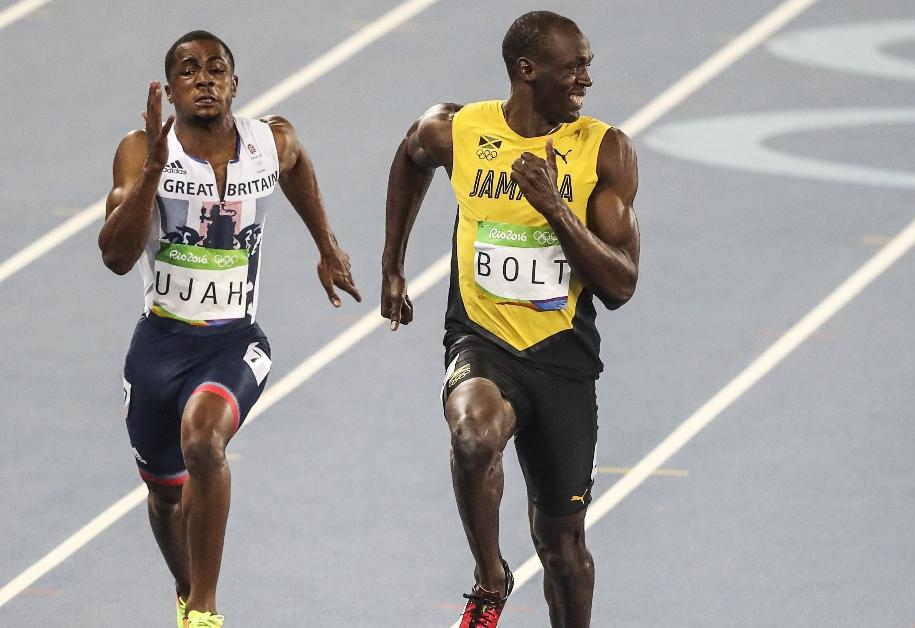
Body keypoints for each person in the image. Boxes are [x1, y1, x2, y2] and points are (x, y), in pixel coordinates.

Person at [381, 10, 640, 628]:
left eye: (588, 66)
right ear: (527, 71)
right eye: (573, 66)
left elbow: (621, 285)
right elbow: (411, 155)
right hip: (481, 337)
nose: (585, 79)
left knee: (563, 549)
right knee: (473, 437)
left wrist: (554, 207)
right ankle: (490, 577)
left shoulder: (603, 151)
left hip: (561, 356)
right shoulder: (458, 129)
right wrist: (392, 263)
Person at [99, 30, 361, 628]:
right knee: (165, 497)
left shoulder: (271, 143)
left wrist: (326, 244)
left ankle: (206, 610)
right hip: (160, 345)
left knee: (203, 440)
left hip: (234, 340)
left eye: (217, 68)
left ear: (235, 84)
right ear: (170, 91)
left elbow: (295, 166)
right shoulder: (141, 150)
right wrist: (152, 176)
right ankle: (189, 595)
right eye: (188, 71)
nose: (204, 79)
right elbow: (115, 257)